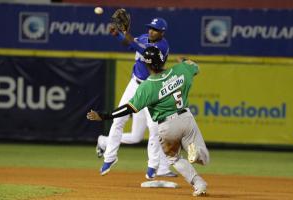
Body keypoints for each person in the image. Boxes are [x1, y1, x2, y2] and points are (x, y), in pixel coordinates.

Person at [87, 46, 210, 196]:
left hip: (167, 126)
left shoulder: (148, 86)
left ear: (146, 64)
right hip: (186, 117)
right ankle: (196, 154)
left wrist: (105, 115)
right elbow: (194, 66)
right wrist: (184, 60)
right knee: (204, 159)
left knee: (174, 158)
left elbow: (128, 109)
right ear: (163, 59)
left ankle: (199, 183)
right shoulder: (181, 69)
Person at [95, 16, 176, 179]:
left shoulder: (162, 46)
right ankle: (109, 158)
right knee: (118, 119)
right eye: (150, 28)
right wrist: (117, 35)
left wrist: (126, 33)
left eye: (155, 30)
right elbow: (129, 44)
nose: (151, 31)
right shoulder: (144, 37)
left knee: (154, 128)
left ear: (162, 33)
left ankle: (153, 166)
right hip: (135, 84)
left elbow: (142, 49)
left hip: (151, 88)